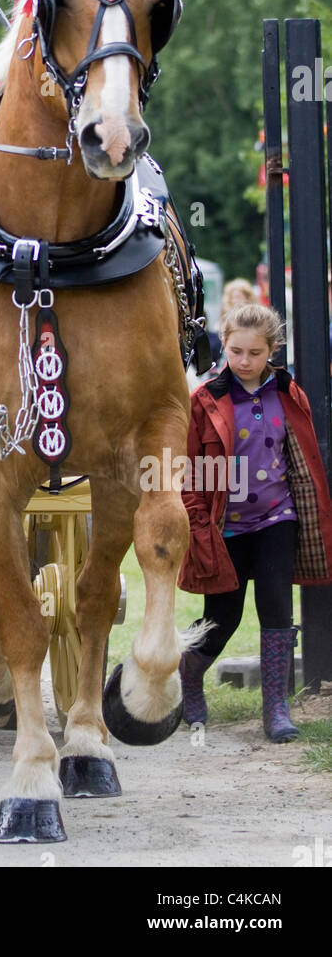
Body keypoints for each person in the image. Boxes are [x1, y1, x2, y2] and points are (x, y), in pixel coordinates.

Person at [178, 303, 332, 741]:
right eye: (235, 351)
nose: (243, 361)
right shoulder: (204, 402)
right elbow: (188, 471)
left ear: (272, 351)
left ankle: (276, 710)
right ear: (223, 344)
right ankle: (189, 680)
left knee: (276, 609)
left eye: (254, 353)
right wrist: (198, 524)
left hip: (275, 519)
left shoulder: (289, 394)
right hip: (225, 527)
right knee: (221, 621)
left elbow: (302, 457)